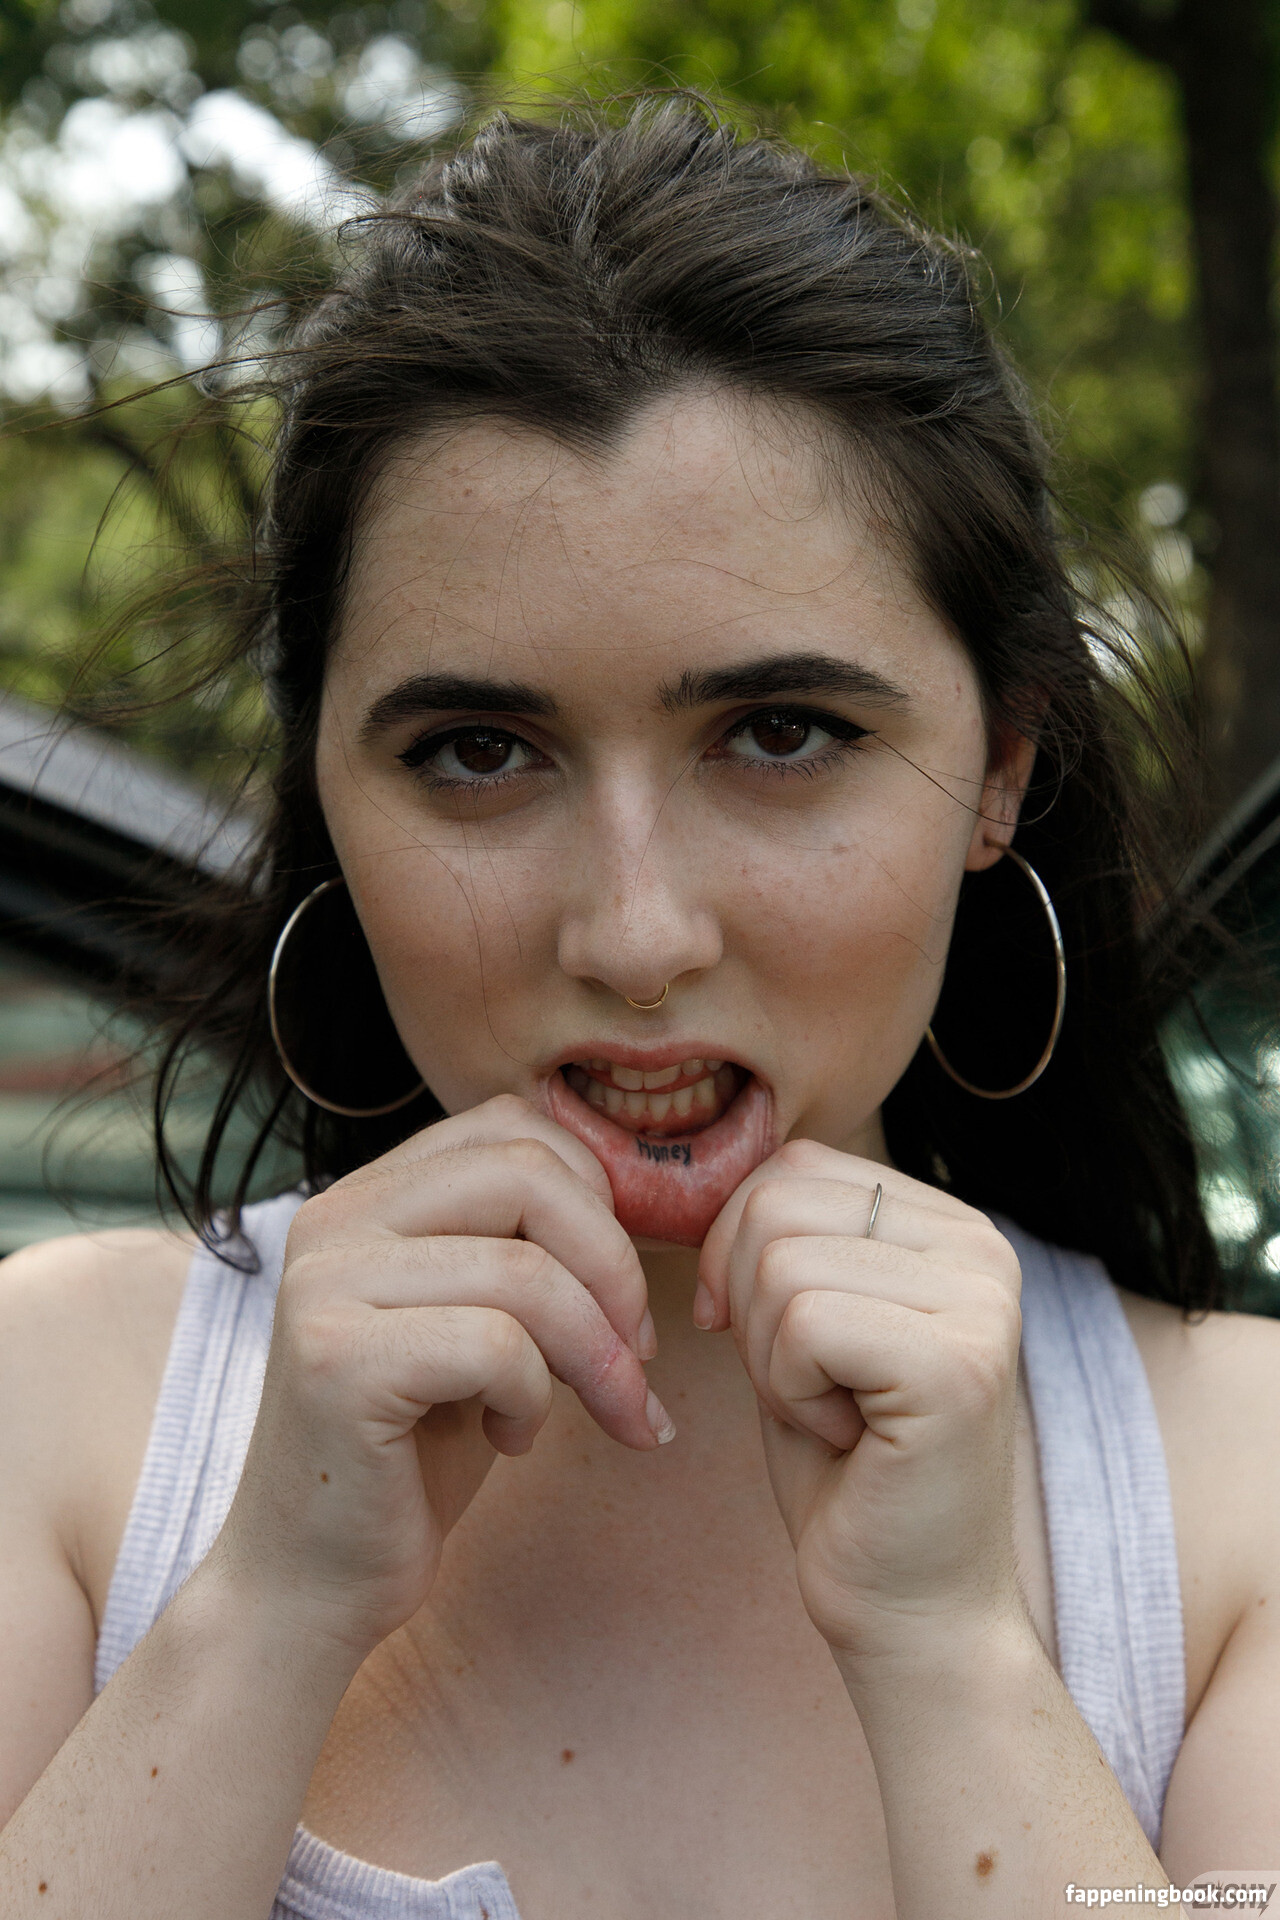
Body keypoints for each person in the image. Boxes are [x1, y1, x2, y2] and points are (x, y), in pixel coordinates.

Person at [0, 98, 1277, 1920]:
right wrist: (264, 1609)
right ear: (326, 798)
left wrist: (957, 1657)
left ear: (999, 768)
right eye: (477, 751)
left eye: (781, 734)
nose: (636, 932)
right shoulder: (53, 1406)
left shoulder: (1240, 1483)